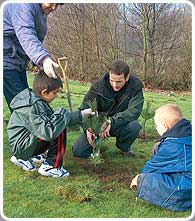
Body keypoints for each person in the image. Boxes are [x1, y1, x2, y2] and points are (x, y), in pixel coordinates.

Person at [7, 70, 94, 178]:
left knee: (58, 122)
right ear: (44, 92)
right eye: (55, 92)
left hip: (22, 145)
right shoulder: (34, 107)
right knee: (58, 127)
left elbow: (51, 120)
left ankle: (22, 157)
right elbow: (49, 131)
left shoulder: (35, 100)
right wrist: (62, 116)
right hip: (22, 146)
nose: (56, 96)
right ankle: (51, 166)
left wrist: (81, 114)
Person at [72, 60, 144, 158]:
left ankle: (124, 147)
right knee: (79, 152)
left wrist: (110, 122)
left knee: (134, 126)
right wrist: (88, 128)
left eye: (119, 81)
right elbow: (85, 109)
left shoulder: (135, 87)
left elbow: (134, 112)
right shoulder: (98, 86)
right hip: (98, 123)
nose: (115, 85)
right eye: (112, 80)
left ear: (127, 77)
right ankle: (97, 144)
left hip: (119, 123)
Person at [130, 104, 192, 211]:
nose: (156, 128)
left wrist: (140, 178)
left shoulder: (172, 146)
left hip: (189, 187)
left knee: (146, 180)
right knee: (158, 146)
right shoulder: (186, 133)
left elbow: (152, 167)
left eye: (157, 125)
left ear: (165, 126)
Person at [3, 3, 63, 112]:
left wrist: (38, 64)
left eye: (58, 4)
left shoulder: (41, 12)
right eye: (53, 1)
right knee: (23, 108)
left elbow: (36, 39)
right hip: (5, 61)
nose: (54, 7)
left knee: (25, 102)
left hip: (18, 62)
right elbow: (26, 35)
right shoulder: (22, 5)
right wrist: (43, 58)